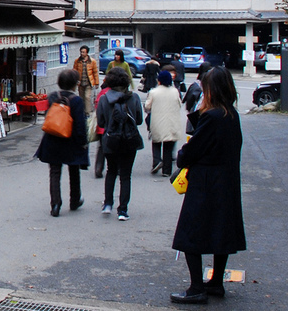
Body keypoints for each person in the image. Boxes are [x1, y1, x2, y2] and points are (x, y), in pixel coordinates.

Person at [170, 67, 247, 304]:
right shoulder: (231, 114)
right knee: (220, 231)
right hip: (226, 181)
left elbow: (192, 151)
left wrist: (182, 156)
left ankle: (196, 288)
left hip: (205, 182)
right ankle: (215, 283)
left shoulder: (211, 117)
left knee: (190, 233)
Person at [34, 69, 89, 216]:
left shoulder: (53, 97)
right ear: (74, 84)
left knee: (54, 172)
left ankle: (56, 205)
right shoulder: (76, 101)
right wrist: (83, 142)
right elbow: (80, 125)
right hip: (70, 140)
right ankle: (75, 200)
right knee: (74, 170)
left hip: (52, 138)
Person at [96, 67, 143, 221]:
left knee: (111, 171)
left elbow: (101, 122)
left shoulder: (104, 98)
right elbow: (139, 120)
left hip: (110, 140)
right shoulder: (134, 97)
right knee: (125, 175)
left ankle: (108, 204)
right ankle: (123, 210)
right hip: (129, 140)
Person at [144, 69, 182, 176]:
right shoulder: (175, 91)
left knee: (156, 142)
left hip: (157, 121)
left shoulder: (154, 92)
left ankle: (157, 161)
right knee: (168, 146)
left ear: (159, 80)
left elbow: (147, 106)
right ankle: (167, 170)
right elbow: (179, 104)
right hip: (171, 122)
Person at [183, 63, 210, 136]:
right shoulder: (212, 83)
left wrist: (189, 110)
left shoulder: (196, 84)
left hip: (196, 114)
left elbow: (189, 101)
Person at [72, 45, 99, 115]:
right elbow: (74, 71)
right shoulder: (77, 61)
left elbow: (95, 72)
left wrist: (96, 82)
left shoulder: (92, 61)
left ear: (87, 53)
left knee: (87, 97)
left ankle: (88, 112)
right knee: (81, 98)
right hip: (80, 83)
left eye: (83, 52)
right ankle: (82, 111)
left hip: (88, 83)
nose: (82, 53)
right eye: (81, 52)